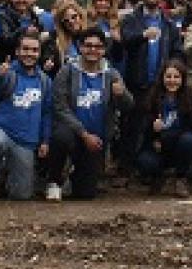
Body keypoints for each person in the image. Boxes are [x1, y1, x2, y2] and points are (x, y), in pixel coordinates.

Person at [46, 27, 134, 200]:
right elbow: (60, 107)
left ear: (103, 49)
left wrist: (121, 94)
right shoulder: (67, 71)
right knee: (60, 137)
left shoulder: (111, 74)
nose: (92, 50)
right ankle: (54, 181)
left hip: (97, 140)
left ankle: (73, 177)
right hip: (73, 132)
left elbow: (129, 105)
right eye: (88, 45)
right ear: (80, 47)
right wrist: (84, 134)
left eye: (97, 46)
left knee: (85, 195)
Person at [0, 34, 52, 204]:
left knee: (21, 195)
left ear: (39, 54)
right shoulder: (9, 73)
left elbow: (47, 112)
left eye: (34, 50)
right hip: (3, 130)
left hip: (26, 140)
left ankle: (5, 177)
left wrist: (45, 140)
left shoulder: (45, 81)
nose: (29, 54)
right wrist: (0, 75)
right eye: (25, 49)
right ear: (17, 51)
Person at [120, 0, 183, 174]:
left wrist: (173, 72)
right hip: (137, 83)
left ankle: (153, 170)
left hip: (160, 85)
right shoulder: (132, 19)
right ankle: (126, 168)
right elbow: (126, 41)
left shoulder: (168, 24)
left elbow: (177, 51)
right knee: (131, 127)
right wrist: (143, 36)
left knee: (156, 127)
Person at [136, 59, 192, 197]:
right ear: (162, 78)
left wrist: (165, 137)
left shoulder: (190, 97)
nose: (172, 81)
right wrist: (152, 128)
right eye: (168, 76)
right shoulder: (152, 97)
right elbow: (142, 130)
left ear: (182, 79)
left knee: (188, 140)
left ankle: (181, 179)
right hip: (156, 148)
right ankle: (158, 178)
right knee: (145, 162)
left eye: (176, 77)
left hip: (179, 146)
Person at [0, 0, 46, 64]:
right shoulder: (2, 16)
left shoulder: (35, 18)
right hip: (9, 66)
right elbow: (5, 41)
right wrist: (24, 31)